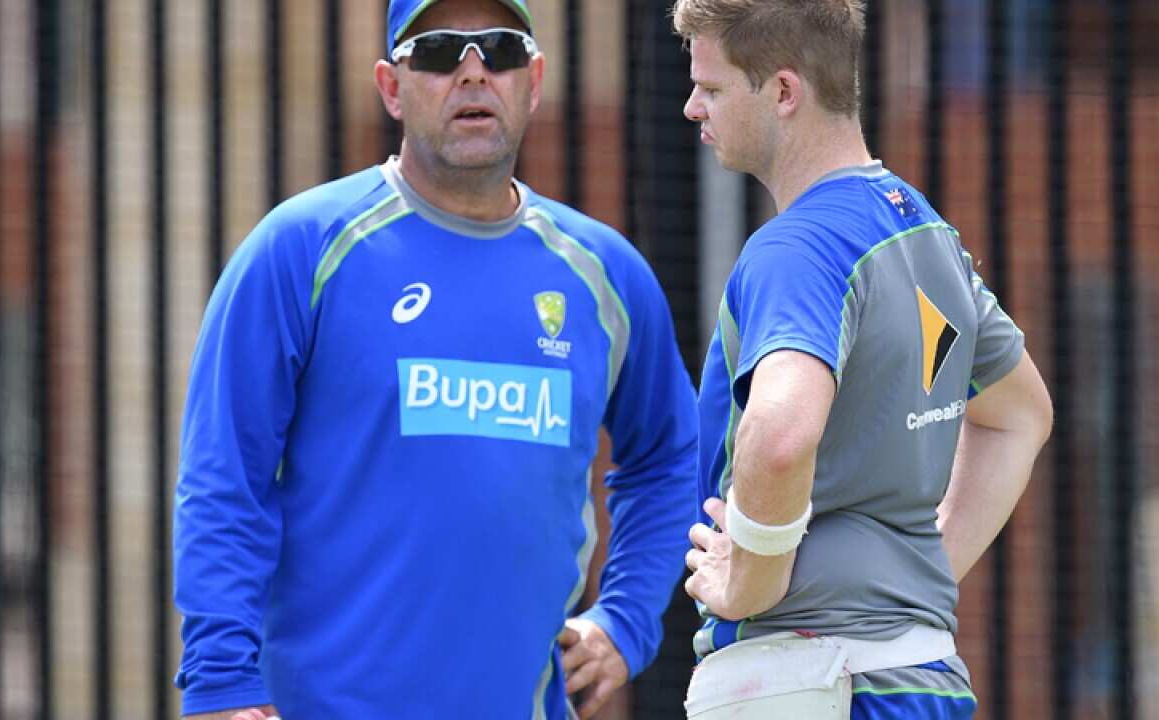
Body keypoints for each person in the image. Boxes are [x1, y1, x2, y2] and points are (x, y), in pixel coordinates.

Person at [172, 0, 698, 717]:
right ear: (392, 87)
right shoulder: (300, 249)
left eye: (501, 50)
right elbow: (223, 477)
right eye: (442, 50)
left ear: (534, 81)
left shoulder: (605, 273)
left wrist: (625, 621)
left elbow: (671, 456)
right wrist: (221, 681)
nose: (474, 72)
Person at [672, 1, 1054, 718]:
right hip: (921, 675)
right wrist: (921, 574)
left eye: (713, 87)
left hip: (810, 685)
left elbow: (782, 436)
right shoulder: (925, 232)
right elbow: (1022, 416)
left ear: (784, 92)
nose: (693, 106)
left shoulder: (795, 248)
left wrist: (748, 583)